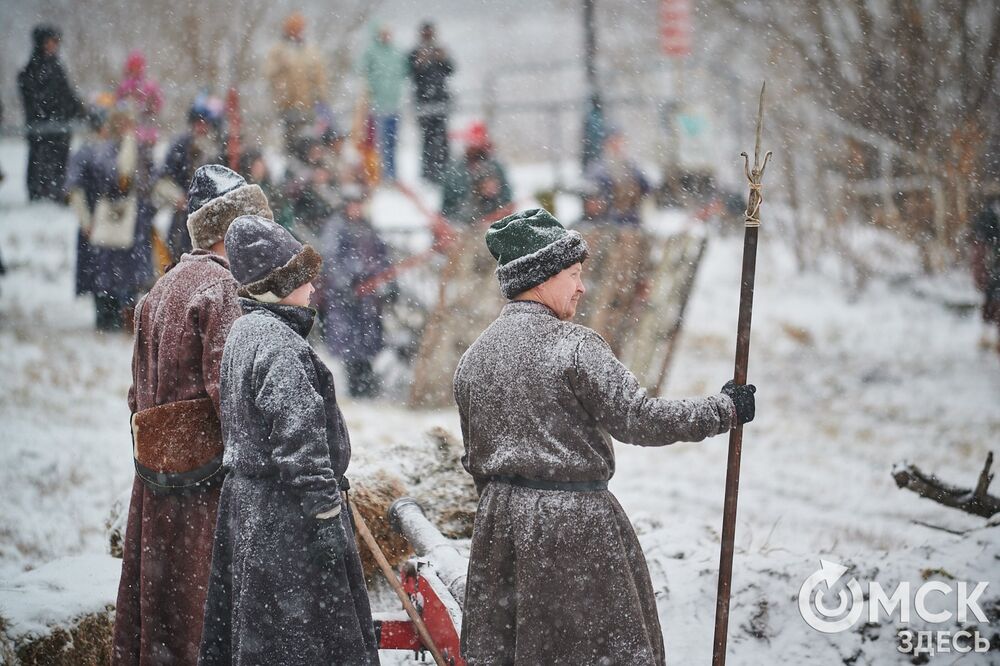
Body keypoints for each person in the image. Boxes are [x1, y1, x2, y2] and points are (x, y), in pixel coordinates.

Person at [453, 208, 757, 665]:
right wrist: (724, 409)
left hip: (499, 530)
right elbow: (640, 419)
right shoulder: (573, 347)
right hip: (576, 530)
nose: (581, 286)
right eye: (573, 274)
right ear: (541, 278)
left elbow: (477, 459)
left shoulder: (472, 361)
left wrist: (509, 502)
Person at [199, 215, 379, 665]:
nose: (314, 287)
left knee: (263, 636)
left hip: (252, 511)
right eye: (303, 278)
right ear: (280, 285)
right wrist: (323, 514)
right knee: (302, 642)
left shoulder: (244, 330)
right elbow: (299, 442)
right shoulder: (279, 346)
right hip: (287, 518)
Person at [112, 165, 274, 665]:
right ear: (233, 230)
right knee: (205, 620)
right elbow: (233, 397)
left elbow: (137, 397)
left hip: (157, 485)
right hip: (207, 488)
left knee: (162, 619)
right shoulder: (221, 289)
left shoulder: (161, 289)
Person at [65, 107, 153, 330]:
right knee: (102, 279)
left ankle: (124, 317)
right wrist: (86, 220)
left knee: (127, 280)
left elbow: (146, 182)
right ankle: (106, 318)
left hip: (129, 226)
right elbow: (116, 178)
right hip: (101, 225)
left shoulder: (138, 150)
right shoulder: (93, 151)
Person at [318, 187, 392, 398]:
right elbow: (331, 260)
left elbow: (381, 256)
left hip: (367, 297)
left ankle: (367, 384)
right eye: (353, 204)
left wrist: (381, 281)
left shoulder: (368, 227)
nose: (357, 209)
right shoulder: (336, 228)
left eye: (359, 204)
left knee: (367, 344)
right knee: (350, 347)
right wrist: (348, 282)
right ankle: (357, 387)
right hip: (345, 297)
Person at [18, 24, 87, 202]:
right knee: (38, 163)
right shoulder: (32, 69)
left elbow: (67, 95)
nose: (53, 45)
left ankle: (58, 193)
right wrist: (47, 115)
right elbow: (36, 99)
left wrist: (81, 111)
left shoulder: (56, 67)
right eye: (50, 41)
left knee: (59, 163)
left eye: (56, 41)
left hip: (60, 129)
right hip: (41, 129)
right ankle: (38, 195)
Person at [153, 99, 225, 260]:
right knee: (180, 257)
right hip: (183, 219)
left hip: (210, 218)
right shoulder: (180, 146)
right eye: (198, 123)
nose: (202, 127)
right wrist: (177, 197)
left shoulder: (216, 148)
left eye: (205, 123)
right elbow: (162, 180)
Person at [265, 12, 329, 151]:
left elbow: (320, 75)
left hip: (308, 106)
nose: (298, 31)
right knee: (289, 144)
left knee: (309, 143)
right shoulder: (278, 50)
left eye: (300, 28)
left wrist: (321, 97)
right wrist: (282, 65)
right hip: (287, 104)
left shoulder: (311, 50)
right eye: (295, 28)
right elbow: (269, 73)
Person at [440, 122, 513, 226]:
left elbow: (507, 202)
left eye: (477, 143)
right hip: (458, 225)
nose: (473, 146)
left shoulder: (496, 168)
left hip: (489, 224)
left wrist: (493, 197)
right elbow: (446, 205)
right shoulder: (455, 169)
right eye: (472, 142)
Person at [408, 21, 454, 183]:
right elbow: (410, 73)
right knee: (427, 138)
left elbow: (451, 70)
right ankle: (428, 173)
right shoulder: (415, 52)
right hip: (423, 101)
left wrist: (443, 58)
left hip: (440, 100)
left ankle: (445, 171)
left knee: (442, 138)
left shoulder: (439, 50)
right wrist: (420, 62)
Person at [361, 25, 408, 182]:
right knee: (377, 143)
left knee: (392, 142)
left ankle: (391, 174)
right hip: (377, 106)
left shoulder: (396, 53)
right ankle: (377, 174)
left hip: (394, 105)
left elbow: (405, 73)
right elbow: (360, 69)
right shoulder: (371, 53)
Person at [586, 126, 651, 226]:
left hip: (631, 220)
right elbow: (591, 196)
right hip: (605, 222)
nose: (617, 146)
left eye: (619, 142)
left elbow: (646, 189)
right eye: (613, 142)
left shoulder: (632, 168)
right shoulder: (597, 170)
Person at [115, 50, 163, 148]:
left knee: (145, 155)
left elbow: (158, 103)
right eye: (134, 66)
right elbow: (118, 104)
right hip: (130, 130)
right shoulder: (125, 86)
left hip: (146, 129)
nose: (135, 69)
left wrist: (149, 106)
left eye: (138, 66)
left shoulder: (148, 85)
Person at [971, 195, 1000, 354]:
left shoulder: (987, 214)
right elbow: (979, 246)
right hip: (993, 267)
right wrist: (979, 269)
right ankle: (988, 336)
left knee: (992, 301)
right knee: (992, 301)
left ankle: (989, 336)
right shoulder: (988, 215)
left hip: (993, 267)